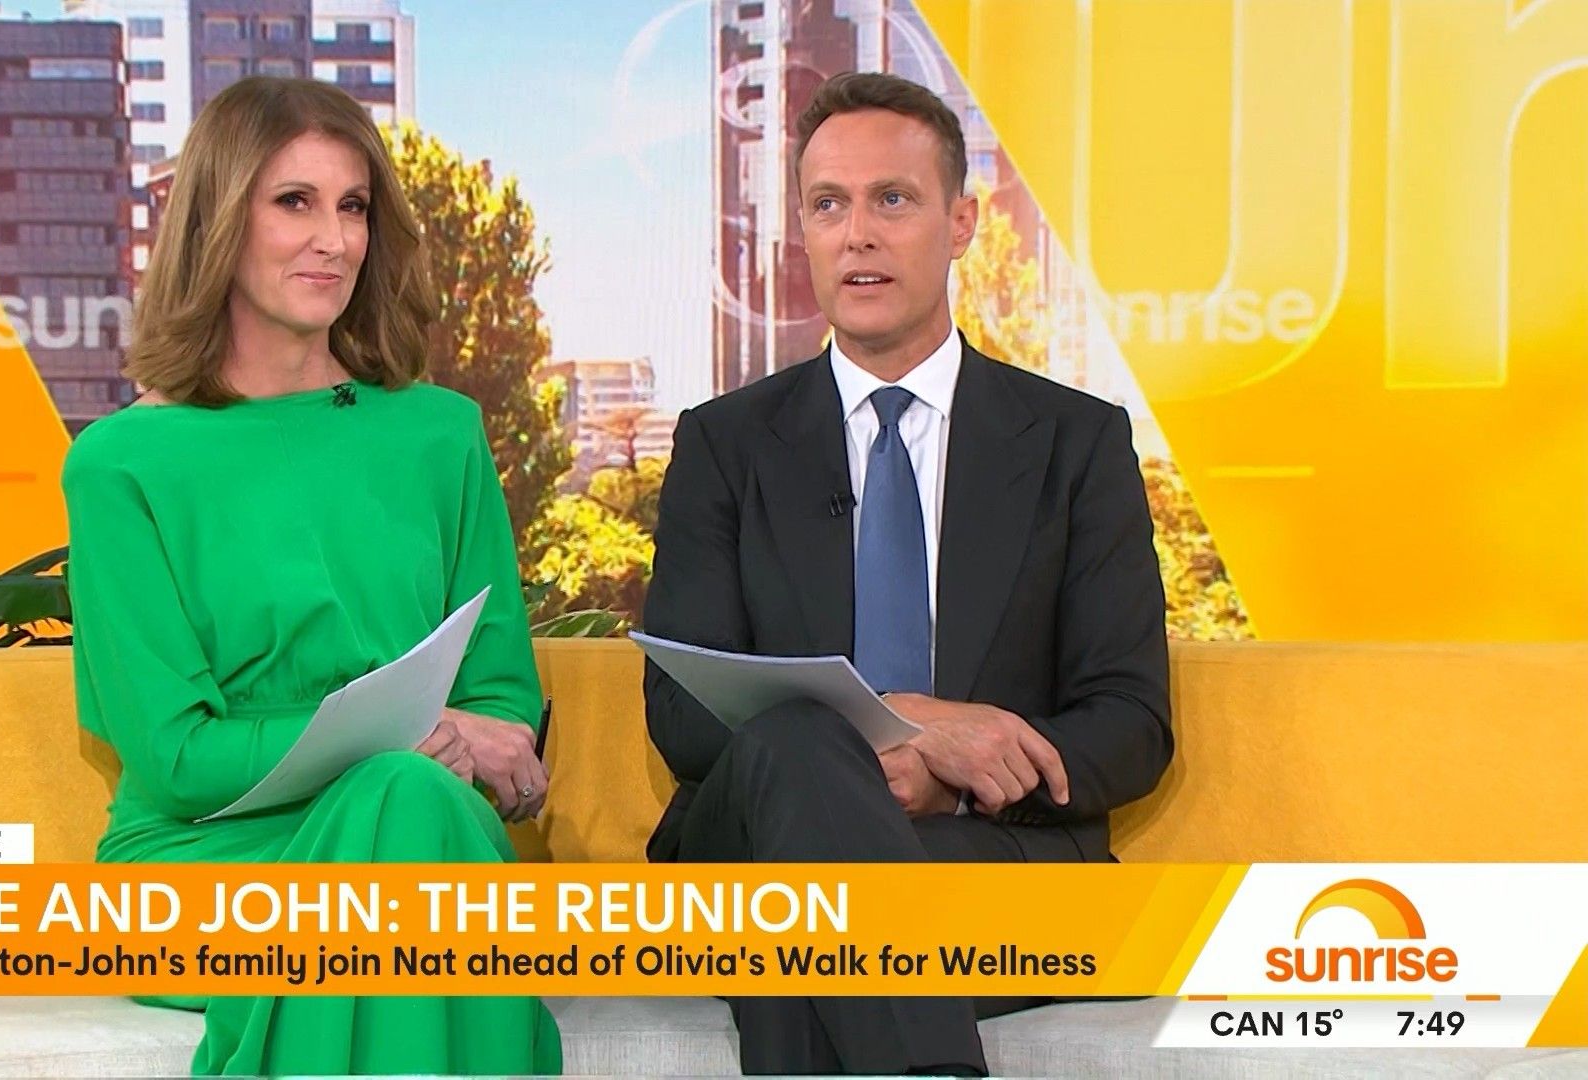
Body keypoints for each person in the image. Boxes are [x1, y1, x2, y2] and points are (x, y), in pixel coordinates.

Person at [642, 71, 1174, 1076]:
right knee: (796, 752)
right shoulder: (724, 445)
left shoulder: (1076, 443)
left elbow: (1129, 723)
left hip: (984, 852)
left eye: (892, 199)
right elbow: (682, 711)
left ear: (961, 223)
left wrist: (960, 779)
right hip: (750, 845)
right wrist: (907, 723)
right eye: (828, 205)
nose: (858, 234)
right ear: (803, 234)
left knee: (801, 925)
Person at [62, 77, 559, 1077]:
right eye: (295, 202)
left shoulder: (440, 435)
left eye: (354, 206)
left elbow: (501, 700)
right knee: (400, 801)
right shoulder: (121, 465)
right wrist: (409, 737)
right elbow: (177, 759)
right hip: (209, 862)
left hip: (423, 829)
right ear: (217, 219)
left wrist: (442, 745)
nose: (334, 240)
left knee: (404, 807)